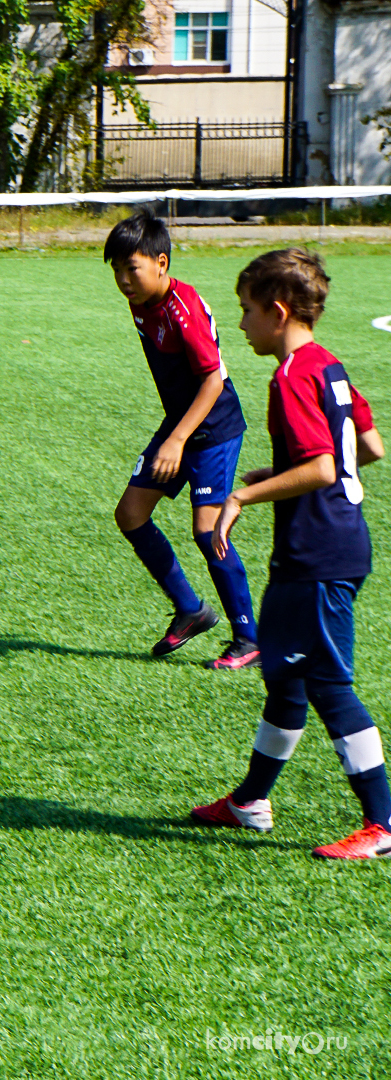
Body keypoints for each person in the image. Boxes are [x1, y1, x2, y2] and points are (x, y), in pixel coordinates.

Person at [193, 249, 391, 858]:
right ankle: (251, 801)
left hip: (320, 554)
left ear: (278, 312)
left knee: (328, 686)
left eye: (247, 311)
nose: (242, 323)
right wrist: (278, 471)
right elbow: (369, 447)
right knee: (283, 677)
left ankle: (384, 825)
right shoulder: (329, 367)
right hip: (319, 549)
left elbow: (325, 465)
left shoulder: (291, 376)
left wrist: (244, 495)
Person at [103, 211, 256, 667]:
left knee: (208, 532)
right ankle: (191, 609)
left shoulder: (183, 310)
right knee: (130, 514)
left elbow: (212, 380)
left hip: (214, 427)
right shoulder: (141, 303)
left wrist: (177, 439)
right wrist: (174, 434)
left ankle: (249, 639)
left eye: (132, 268)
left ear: (161, 263)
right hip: (181, 423)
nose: (124, 280)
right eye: (116, 270)